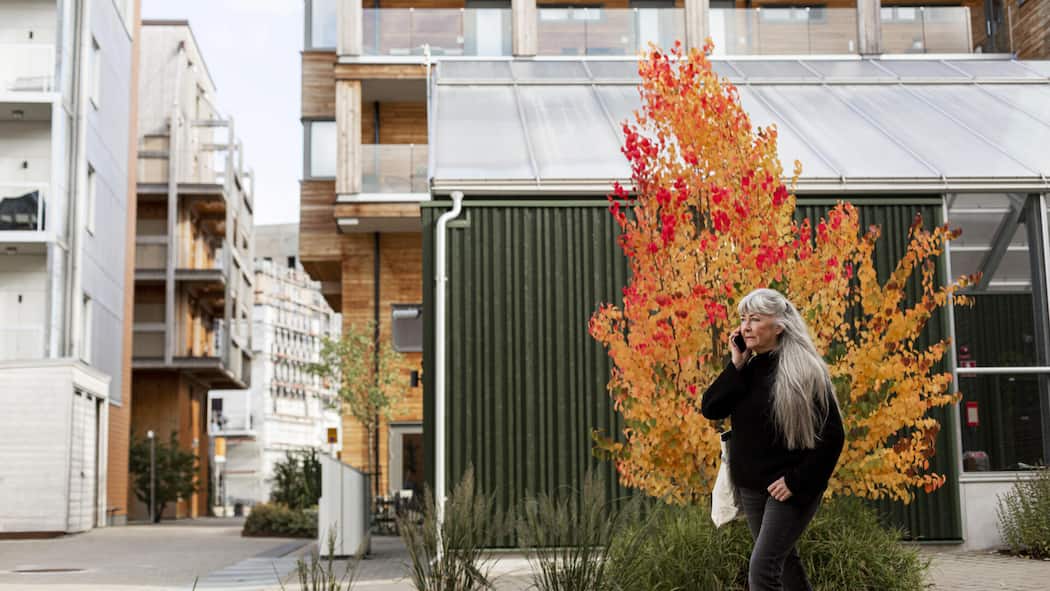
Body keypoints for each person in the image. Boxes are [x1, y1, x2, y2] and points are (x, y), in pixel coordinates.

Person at [701, 288, 845, 591]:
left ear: (779, 325)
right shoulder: (748, 369)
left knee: (762, 569)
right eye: (743, 319)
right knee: (784, 564)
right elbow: (711, 408)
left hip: (790, 489)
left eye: (755, 319)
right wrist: (736, 364)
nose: (746, 327)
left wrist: (795, 481)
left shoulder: (804, 371)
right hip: (752, 487)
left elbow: (833, 437)